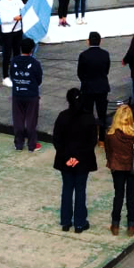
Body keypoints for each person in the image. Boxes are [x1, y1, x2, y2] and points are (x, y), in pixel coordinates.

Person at [53, 88, 98, 233]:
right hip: (82, 161)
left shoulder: (62, 116)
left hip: (65, 161)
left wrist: (68, 158)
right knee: (80, 190)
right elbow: (91, 142)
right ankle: (79, 223)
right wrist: (77, 158)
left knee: (67, 189)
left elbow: (57, 140)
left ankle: (66, 222)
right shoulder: (89, 118)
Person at [105, 105, 134, 237]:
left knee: (118, 194)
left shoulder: (110, 135)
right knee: (131, 195)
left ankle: (115, 223)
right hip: (132, 167)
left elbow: (108, 151)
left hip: (117, 167)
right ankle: (131, 224)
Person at [11, 38, 43, 152]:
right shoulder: (35, 63)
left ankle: (18, 144)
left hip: (17, 93)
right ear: (32, 49)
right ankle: (32, 144)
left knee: (18, 119)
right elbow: (39, 79)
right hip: (31, 94)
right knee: (31, 119)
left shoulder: (14, 61)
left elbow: (12, 76)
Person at [78, 31, 110, 142]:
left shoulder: (83, 55)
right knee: (102, 114)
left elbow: (80, 73)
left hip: (88, 88)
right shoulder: (105, 54)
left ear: (88, 41)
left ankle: (90, 137)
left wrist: (86, 81)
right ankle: (102, 139)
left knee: (88, 113)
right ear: (100, 41)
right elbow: (106, 70)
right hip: (102, 87)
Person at [0, 0, 24, 87]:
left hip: (18, 29)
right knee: (7, 54)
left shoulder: (17, 0)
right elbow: (3, 19)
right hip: (7, 32)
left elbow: (24, 8)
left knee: (17, 53)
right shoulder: (2, 3)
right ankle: (5, 77)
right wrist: (14, 18)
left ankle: (16, 74)